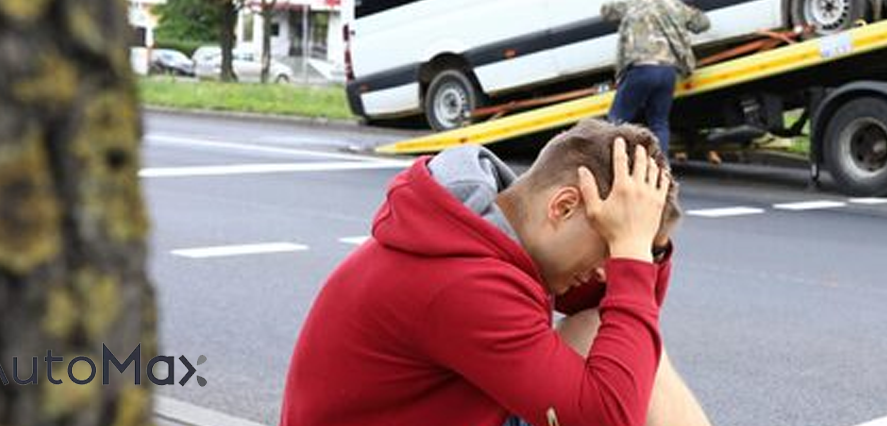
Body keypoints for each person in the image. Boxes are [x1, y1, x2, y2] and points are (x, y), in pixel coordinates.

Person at [281, 119, 714, 426]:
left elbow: (621, 327)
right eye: (611, 245)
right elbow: (608, 418)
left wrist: (645, 249)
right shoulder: (464, 282)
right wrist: (632, 256)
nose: (608, 271)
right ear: (563, 207)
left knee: (611, 338)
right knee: (616, 369)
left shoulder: (478, 235)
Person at [601, 0, 711, 154]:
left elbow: (606, 11)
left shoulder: (636, 2)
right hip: (668, 71)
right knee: (659, 122)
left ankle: (611, 163)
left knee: (616, 120)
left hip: (641, 69)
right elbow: (703, 24)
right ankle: (662, 169)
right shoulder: (675, 5)